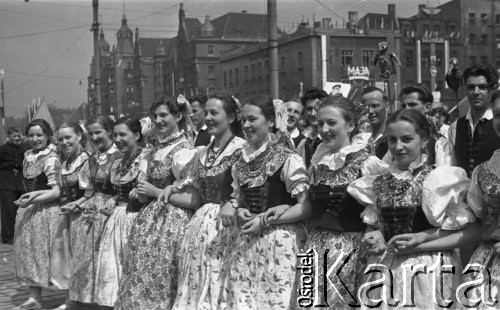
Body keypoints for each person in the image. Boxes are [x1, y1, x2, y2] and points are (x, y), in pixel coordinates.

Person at [348, 109, 476, 309]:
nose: (398, 147)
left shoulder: (438, 181)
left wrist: (422, 240)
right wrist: (376, 237)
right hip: (386, 269)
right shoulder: (379, 182)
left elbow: (468, 232)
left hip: (429, 271)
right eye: (392, 140)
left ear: (424, 140)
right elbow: (377, 226)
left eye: (407, 139)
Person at [221, 95, 309, 309]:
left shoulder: (287, 158)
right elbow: (239, 198)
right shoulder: (240, 161)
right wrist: (239, 208)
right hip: (246, 242)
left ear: (270, 121)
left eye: (252, 119)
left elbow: (305, 207)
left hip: (279, 242)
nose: (246, 125)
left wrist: (265, 220)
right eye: (243, 120)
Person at [301, 96, 389, 308]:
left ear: (350, 125)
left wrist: (372, 230)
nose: (324, 129)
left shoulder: (365, 162)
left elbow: (379, 206)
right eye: (320, 123)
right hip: (315, 245)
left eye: (332, 123)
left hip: (351, 248)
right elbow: (308, 206)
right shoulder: (318, 160)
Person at [115, 98, 198, 309]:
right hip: (150, 221)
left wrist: (156, 192)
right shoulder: (152, 152)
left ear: (178, 116)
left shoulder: (185, 152)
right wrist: (140, 192)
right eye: (155, 116)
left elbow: (193, 199)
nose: (158, 120)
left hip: (174, 224)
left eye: (164, 115)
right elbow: (146, 190)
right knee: (142, 273)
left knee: (164, 275)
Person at [172, 95, 245, 310]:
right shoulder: (202, 153)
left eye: (215, 113)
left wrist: (233, 202)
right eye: (207, 112)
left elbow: (249, 189)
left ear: (231, 117)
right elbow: (194, 190)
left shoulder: (242, 150)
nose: (209, 117)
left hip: (229, 227)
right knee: (197, 281)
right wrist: (166, 191)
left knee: (222, 284)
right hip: (201, 226)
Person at [94, 117, 149, 308]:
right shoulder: (117, 162)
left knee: (133, 266)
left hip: (139, 219)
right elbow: (120, 191)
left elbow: (149, 190)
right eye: (115, 135)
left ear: (136, 135)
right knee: (112, 266)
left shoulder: (146, 159)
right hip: (117, 219)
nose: (117, 139)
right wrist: (114, 198)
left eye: (123, 134)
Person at [68, 116, 121, 305]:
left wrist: (113, 200)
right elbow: (89, 192)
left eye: (98, 132)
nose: (94, 136)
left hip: (112, 210)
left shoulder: (119, 156)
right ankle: (89, 298)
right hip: (92, 210)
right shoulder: (91, 159)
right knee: (87, 254)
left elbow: (123, 189)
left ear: (109, 131)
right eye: (90, 133)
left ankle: (108, 299)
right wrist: (77, 204)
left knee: (106, 256)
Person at [13, 119, 61, 310]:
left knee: (48, 254)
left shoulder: (51, 158)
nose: (35, 139)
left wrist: (32, 200)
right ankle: (35, 298)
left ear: (48, 135)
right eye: (31, 135)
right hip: (28, 210)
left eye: (39, 135)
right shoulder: (28, 156)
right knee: (29, 252)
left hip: (46, 211)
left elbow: (56, 191)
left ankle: (69, 298)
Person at [459, 90, 500, 308]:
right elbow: (476, 226)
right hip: (487, 263)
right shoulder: (482, 172)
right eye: (499, 114)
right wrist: (421, 240)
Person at [49, 122, 91, 310]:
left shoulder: (87, 160)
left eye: (68, 138)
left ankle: (79, 300)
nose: (64, 142)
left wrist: (77, 205)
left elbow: (93, 192)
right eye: (60, 139)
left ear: (79, 136)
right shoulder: (65, 161)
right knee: (67, 258)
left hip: (83, 216)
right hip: (67, 216)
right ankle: (70, 299)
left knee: (80, 259)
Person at [449, 63, 500, 176]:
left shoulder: (498, 124)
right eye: (471, 87)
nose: (476, 92)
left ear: (492, 89)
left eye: (482, 87)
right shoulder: (456, 126)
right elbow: (452, 168)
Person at [396, 84, 455, 166]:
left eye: (412, 105)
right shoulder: (395, 139)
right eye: (403, 106)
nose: (406, 109)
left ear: (427, 107)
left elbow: (443, 174)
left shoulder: (440, 143)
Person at [0, 127, 27, 244]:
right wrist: (10, 164)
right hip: (6, 183)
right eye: (14, 136)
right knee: (8, 211)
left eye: (18, 136)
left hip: (20, 184)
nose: (17, 138)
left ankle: (20, 234)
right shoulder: (2, 149)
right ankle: (8, 236)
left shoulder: (23, 149)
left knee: (20, 210)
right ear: (8, 137)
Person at [352, 86, 389, 159]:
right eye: (366, 107)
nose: (370, 111)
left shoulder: (394, 135)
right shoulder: (358, 136)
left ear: (386, 106)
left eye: (375, 106)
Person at [297, 88, 328, 168]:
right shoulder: (303, 143)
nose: (313, 113)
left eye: (317, 109)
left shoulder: (333, 140)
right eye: (309, 109)